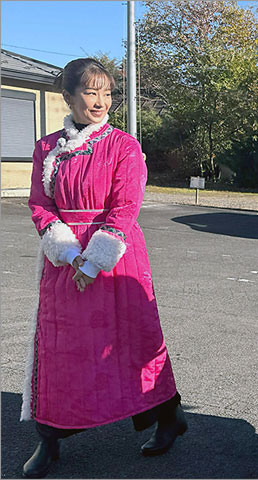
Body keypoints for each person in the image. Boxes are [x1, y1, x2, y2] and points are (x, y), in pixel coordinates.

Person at [23, 58, 187, 478]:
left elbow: (126, 205)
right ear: (70, 96)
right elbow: (40, 204)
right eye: (91, 92)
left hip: (115, 257)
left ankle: (169, 416)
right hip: (64, 260)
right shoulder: (47, 148)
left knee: (134, 343)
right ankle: (49, 439)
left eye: (107, 93)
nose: (100, 101)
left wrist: (95, 259)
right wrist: (66, 250)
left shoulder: (123, 145)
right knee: (58, 348)